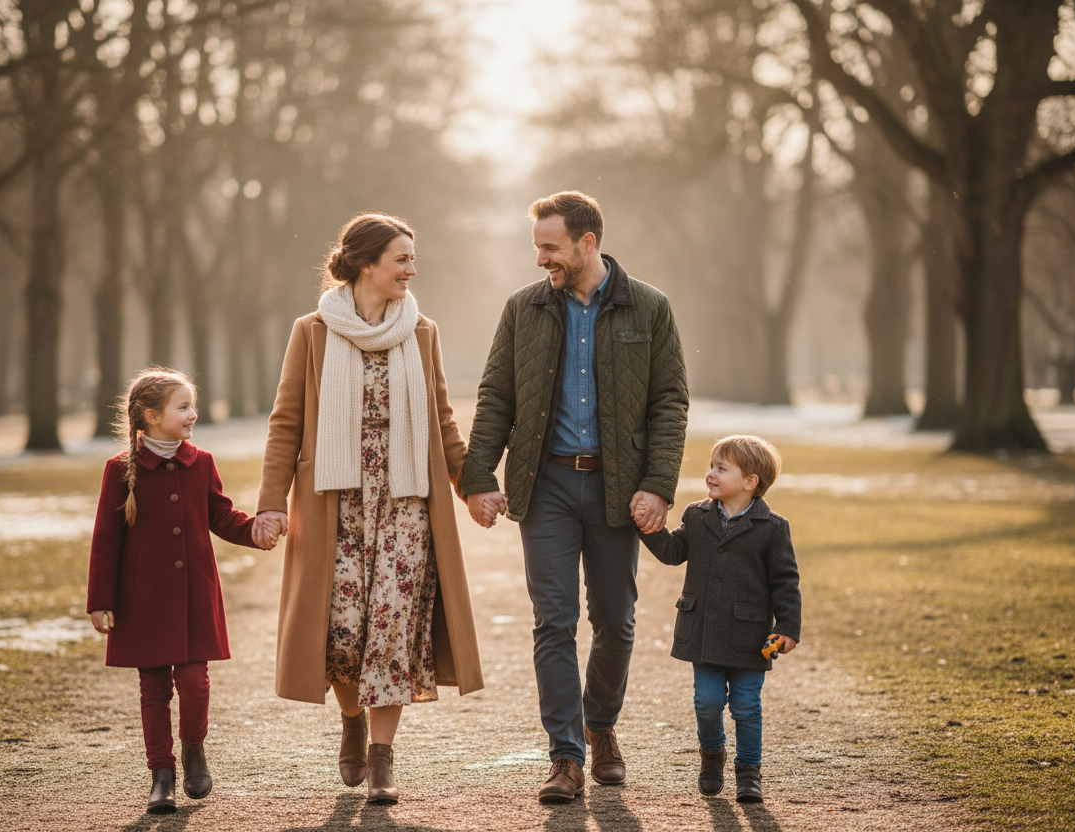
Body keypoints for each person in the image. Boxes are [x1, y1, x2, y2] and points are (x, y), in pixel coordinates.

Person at [461, 190, 689, 803]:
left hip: (619, 488)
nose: (541, 260)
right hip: (548, 484)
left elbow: (670, 402)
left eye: (550, 247)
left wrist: (658, 485)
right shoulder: (523, 309)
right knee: (553, 621)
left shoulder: (649, 307)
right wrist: (478, 478)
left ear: (588, 243)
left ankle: (601, 726)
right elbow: (497, 396)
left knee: (615, 621)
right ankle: (565, 755)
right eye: (538, 247)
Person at [252, 212, 483, 805]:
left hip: (407, 502)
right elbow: (286, 425)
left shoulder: (421, 331)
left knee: (392, 631)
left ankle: (382, 757)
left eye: (412, 258)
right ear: (364, 264)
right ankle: (352, 718)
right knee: (342, 632)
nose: (412, 268)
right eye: (401, 258)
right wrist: (270, 504)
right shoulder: (313, 332)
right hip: (336, 503)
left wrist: (473, 485)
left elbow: (443, 420)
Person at [87, 368, 262, 815]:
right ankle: (161, 776)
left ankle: (193, 751)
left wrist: (255, 530)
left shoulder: (200, 462)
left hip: (193, 593)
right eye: (182, 407)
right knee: (153, 688)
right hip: (143, 596)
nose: (192, 414)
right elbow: (106, 539)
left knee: (193, 681)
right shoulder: (119, 471)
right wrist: (101, 601)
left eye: (192, 405)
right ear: (151, 416)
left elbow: (220, 516)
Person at [635, 435, 802, 803]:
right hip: (704, 633)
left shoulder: (773, 527)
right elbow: (674, 551)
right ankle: (712, 756)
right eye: (711, 466)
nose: (710, 474)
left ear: (750, 482)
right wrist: (647, 526)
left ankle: (748, 772)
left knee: (746, 706)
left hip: (749, 636)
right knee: (706, 702)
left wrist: (787, 628)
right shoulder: (697, 515)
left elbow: (785, 581)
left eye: (721, 468)